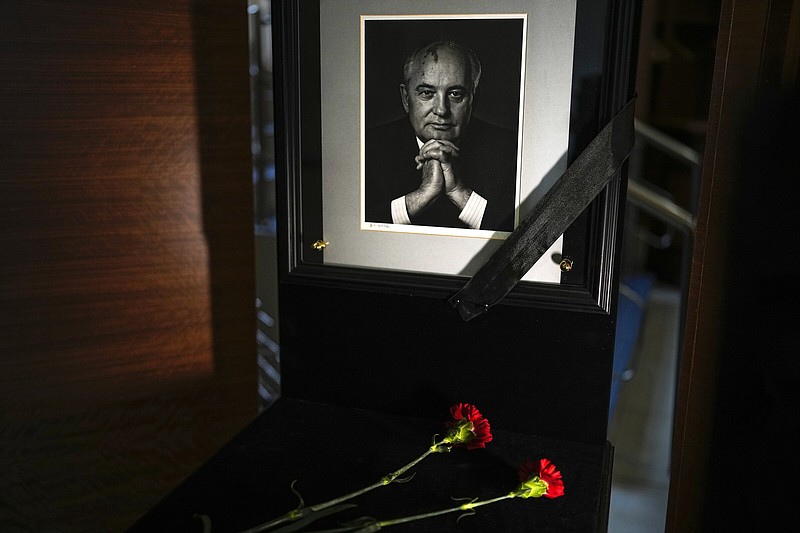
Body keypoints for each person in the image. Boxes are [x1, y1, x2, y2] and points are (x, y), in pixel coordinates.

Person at [364, 39, 518, 231]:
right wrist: (419, 198)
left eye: (455, 94)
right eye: (427, 93)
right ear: (406, 99)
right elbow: (347, 233)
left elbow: (527, 237)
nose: (441, 110)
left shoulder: (513, 150)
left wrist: (459, 193)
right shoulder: (366, 148)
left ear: (474, 100)